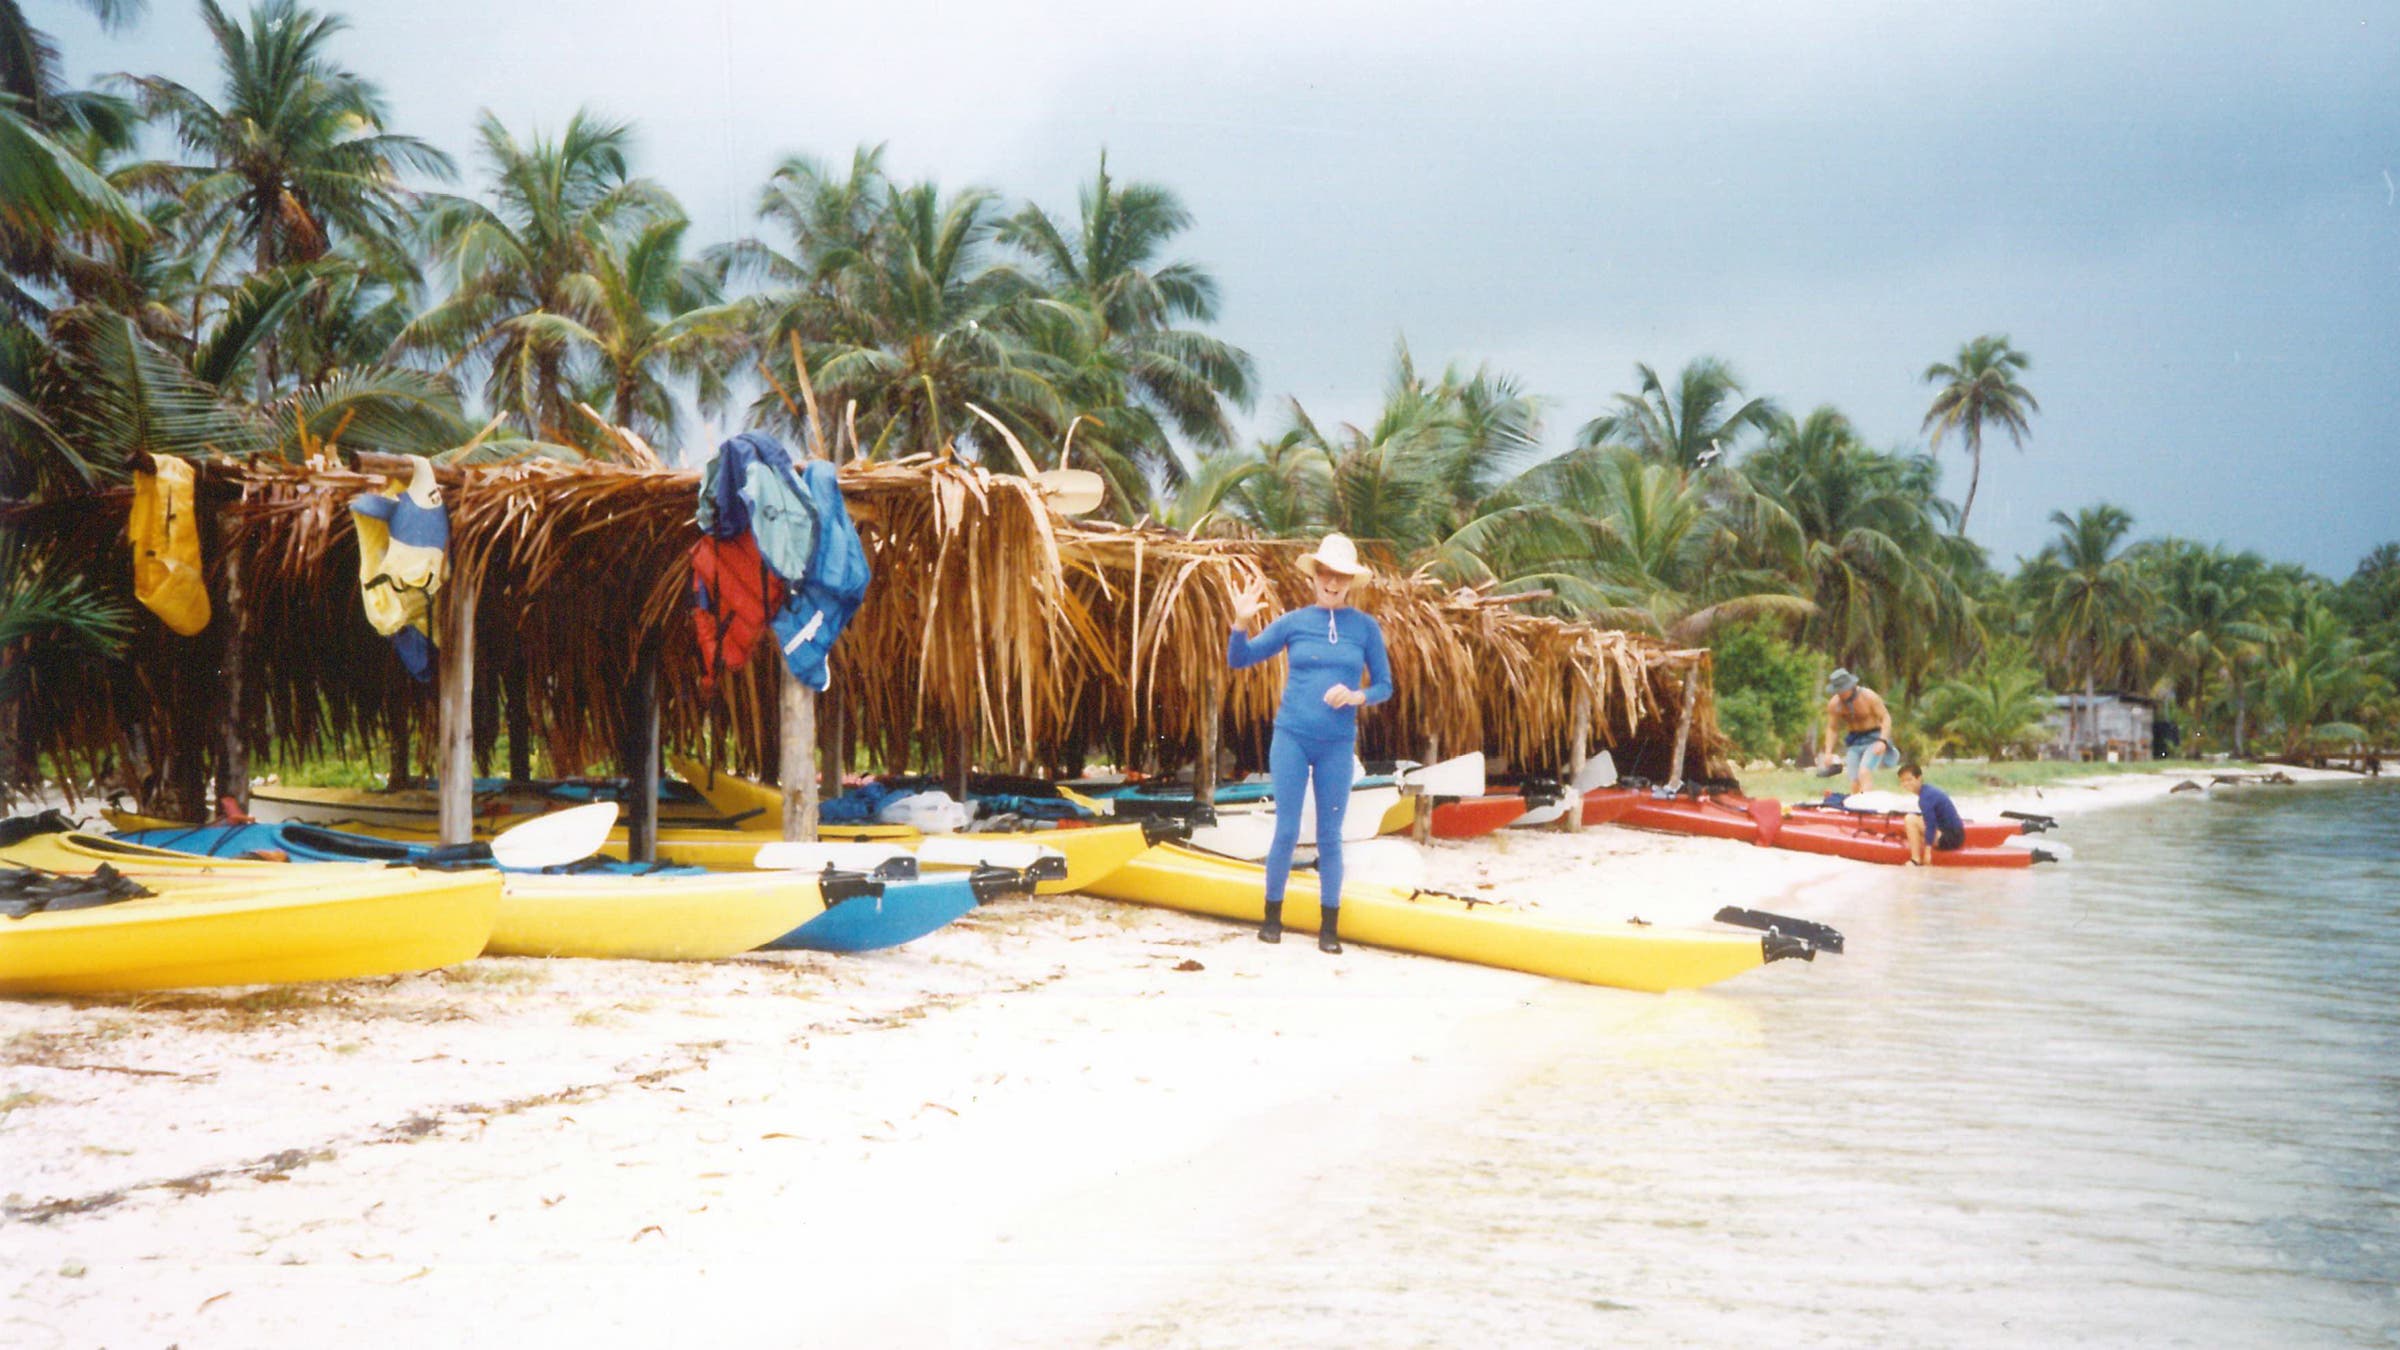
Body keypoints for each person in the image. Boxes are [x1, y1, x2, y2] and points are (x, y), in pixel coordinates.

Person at [1227, 533, 1393, 954]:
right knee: (1285, 829)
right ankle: (1271, 920)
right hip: (1292, 737)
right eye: (1326, 573)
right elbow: (1239, 659)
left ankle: (1329, 929)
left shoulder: (1365, 628)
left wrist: (1358, 696)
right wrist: (1241, 623)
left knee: (1329, 836)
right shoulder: (1295, 622)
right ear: (1315, 576)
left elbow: (1386, 686)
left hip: (1337, 743)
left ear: (1351, 581)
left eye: (1341, 576)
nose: (1332, 582)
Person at [1818, 668, 1899, 793]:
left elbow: (1885, 718)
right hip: (1855, 741)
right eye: (1838, 691)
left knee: (1864, 772)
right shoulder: (1835, 704)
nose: (1841, 694)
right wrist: (1828, 752)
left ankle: (1867, 805)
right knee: (1854, 780)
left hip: (1874, 737)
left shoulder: (1869, 696)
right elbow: (1832, 728)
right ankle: (1855, 807)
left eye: (1843, 690)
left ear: (1851, 686)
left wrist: (1882, 740)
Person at [1896, 763, 1965, 866]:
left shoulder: (1926, 797)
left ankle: (1915, 860)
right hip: (1956, 835)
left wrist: (1928, 852)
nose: (1906, 783)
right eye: (1903, 781)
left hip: (1950, 838)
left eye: (1909, 780)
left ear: (1919, 778)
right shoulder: (1928, 790)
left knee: (1910, 819)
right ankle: (1919, 846)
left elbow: (1931, 824)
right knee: (1918, 819)